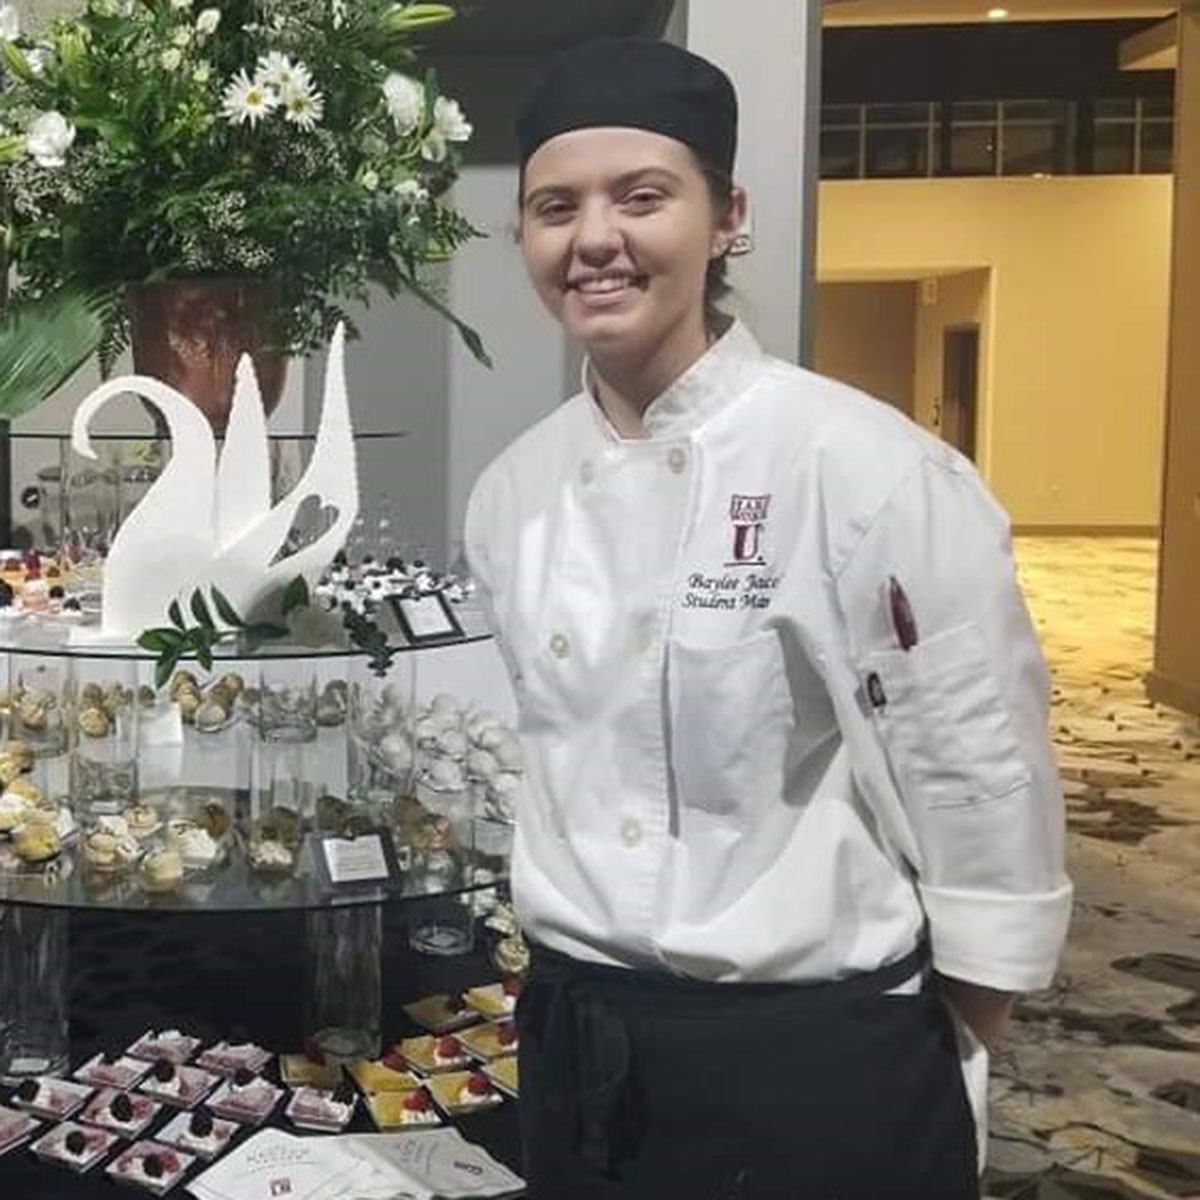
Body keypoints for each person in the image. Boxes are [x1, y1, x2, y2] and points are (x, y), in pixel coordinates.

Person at [464, 36, 1071, 1200]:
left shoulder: (863, 466)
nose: (595, 238)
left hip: (807, 1063)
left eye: (643, 197)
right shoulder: (515, 492)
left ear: (727, 213)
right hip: (578, 1037)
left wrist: (945, 1029)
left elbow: (977, 766)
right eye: (556, 207)